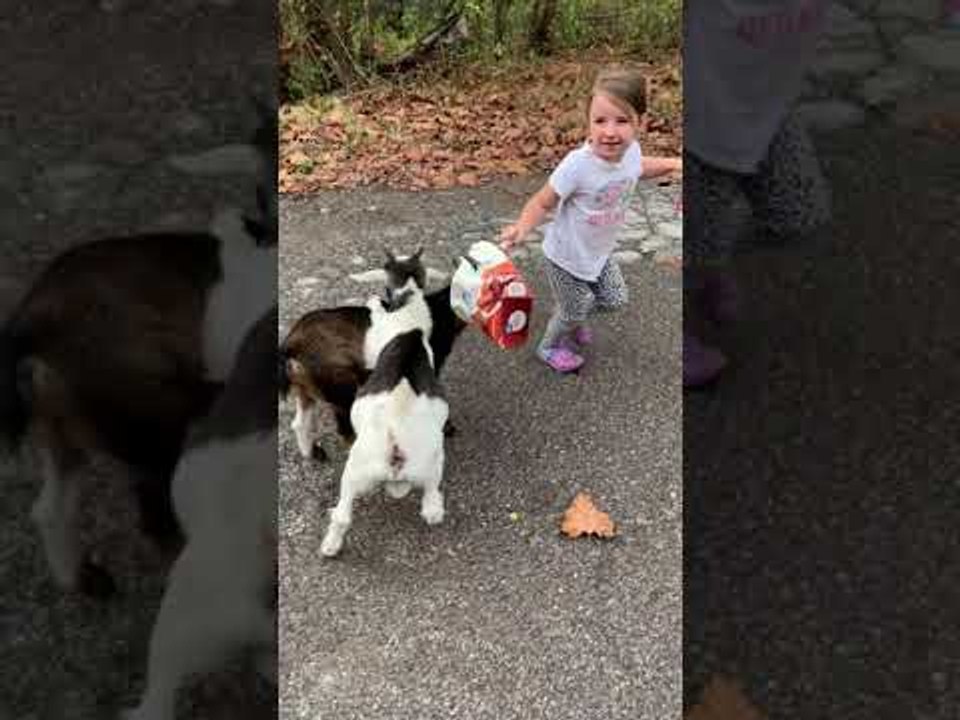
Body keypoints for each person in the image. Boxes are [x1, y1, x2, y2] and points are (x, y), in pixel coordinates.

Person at [683, 0, 833, 388]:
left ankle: (708, 265)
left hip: (767, 112)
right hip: (700, 126)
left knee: (800, 216)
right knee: (697, 246)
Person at [499, 65, 682, 373]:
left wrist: (673, 163)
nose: (610, 132)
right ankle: (549, 346)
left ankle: (571, 317)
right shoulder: (577, 166)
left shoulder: (632, 152)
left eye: (622, 121)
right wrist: (521, 227)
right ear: (588, 124)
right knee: (572, 309)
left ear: (640, 122)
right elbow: (542, 201)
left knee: (615, 299)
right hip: (565, 257)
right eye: (600, 121)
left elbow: (639, 166)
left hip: (599, 253)